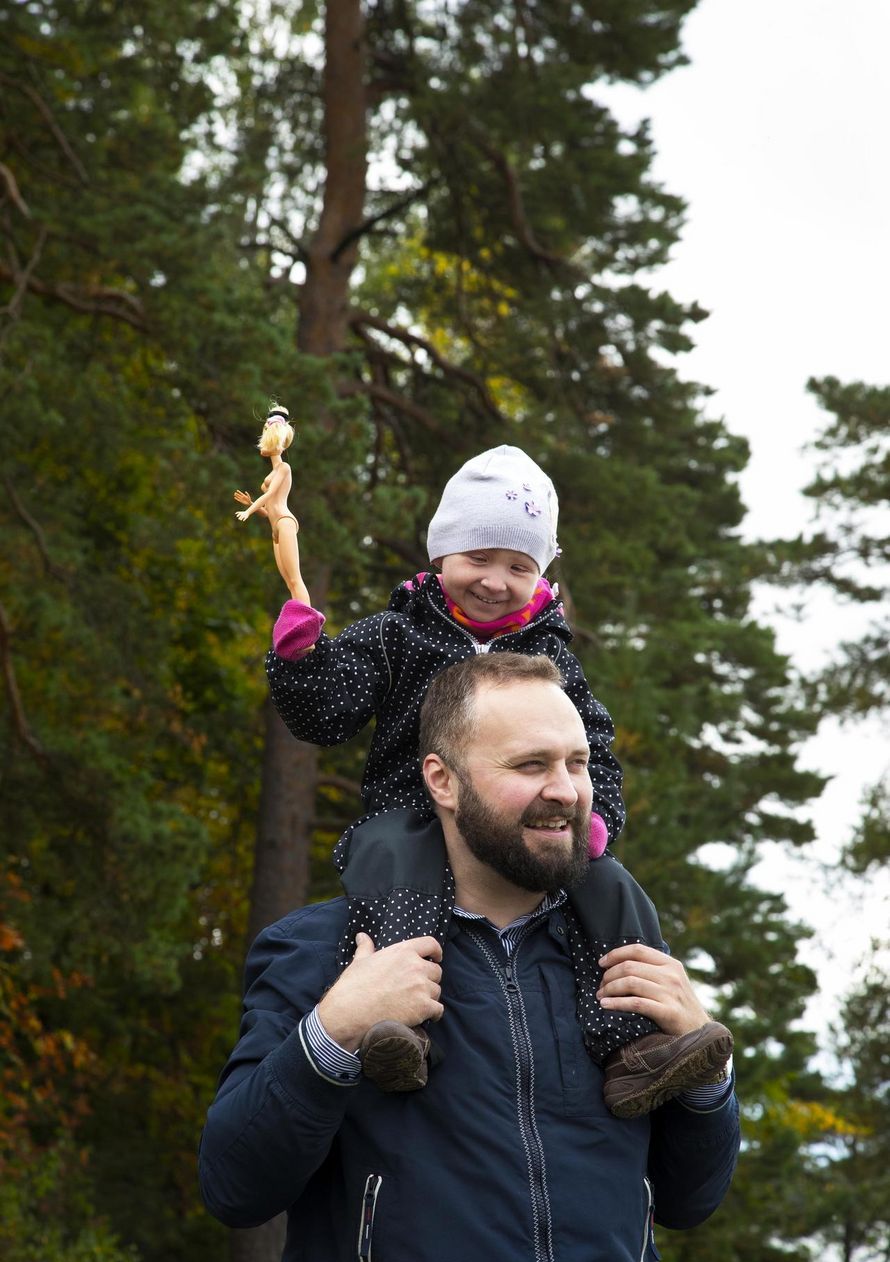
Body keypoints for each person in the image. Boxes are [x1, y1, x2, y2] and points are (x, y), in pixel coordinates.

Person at [199, 654, 740, 1262]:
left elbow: (691, 1199)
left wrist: (706, 1080)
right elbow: (233, 1183)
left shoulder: (624, 960)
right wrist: (333, 1030)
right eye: (530, 765)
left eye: (577, 763)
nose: (567, 790)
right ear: (442, 780)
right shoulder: (321, 951)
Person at [264, 442, 731, 1112]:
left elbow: (592, 742)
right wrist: (303, 657)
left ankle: (634, 1047)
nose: (493, 579)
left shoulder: (550, 655)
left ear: (540, 573)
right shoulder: (397, 634)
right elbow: (325, 715)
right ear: (442, 553)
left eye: (517, 565)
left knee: (609, 883)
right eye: (478, 557)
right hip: (411, 812)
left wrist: (593, 817)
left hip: (520, 822)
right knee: (386, 857)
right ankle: (401, 1028)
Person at [233, 405, 310, 604]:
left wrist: (248, 511)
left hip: (285, 522)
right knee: (289, 583)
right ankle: (299, 622)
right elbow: (268, 512)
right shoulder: (271, 473)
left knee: (295, 578)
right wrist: (253, 504)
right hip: (274, 528)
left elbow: (271, 495)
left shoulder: (284, 468)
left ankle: (310, 625)